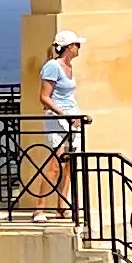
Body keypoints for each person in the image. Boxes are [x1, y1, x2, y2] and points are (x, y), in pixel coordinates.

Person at [33, 32, 86, 208]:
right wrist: (64, 114)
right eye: (77, 45)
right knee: (55, 165)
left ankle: (62, 206)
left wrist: (76, 116)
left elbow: (68, 96)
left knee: (69, 165)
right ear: (69, 47)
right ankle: (39, 208)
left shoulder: (69, 67)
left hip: (71, 119)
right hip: (57, 119)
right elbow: (44, 97)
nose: (79, 48)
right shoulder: (52, 67)